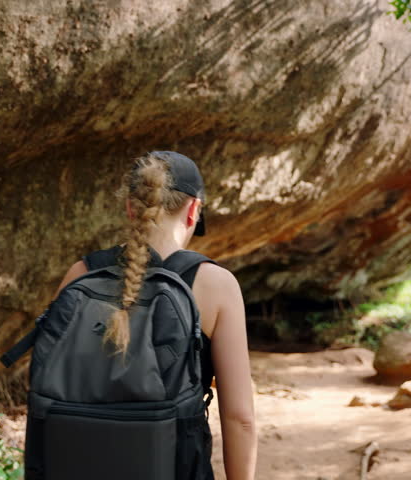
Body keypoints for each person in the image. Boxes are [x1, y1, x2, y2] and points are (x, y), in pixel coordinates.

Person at [51, 151, 257, 479]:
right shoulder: (217, 286)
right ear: (193, 210)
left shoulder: (81, 275)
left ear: (131, 207)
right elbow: (240, 417)